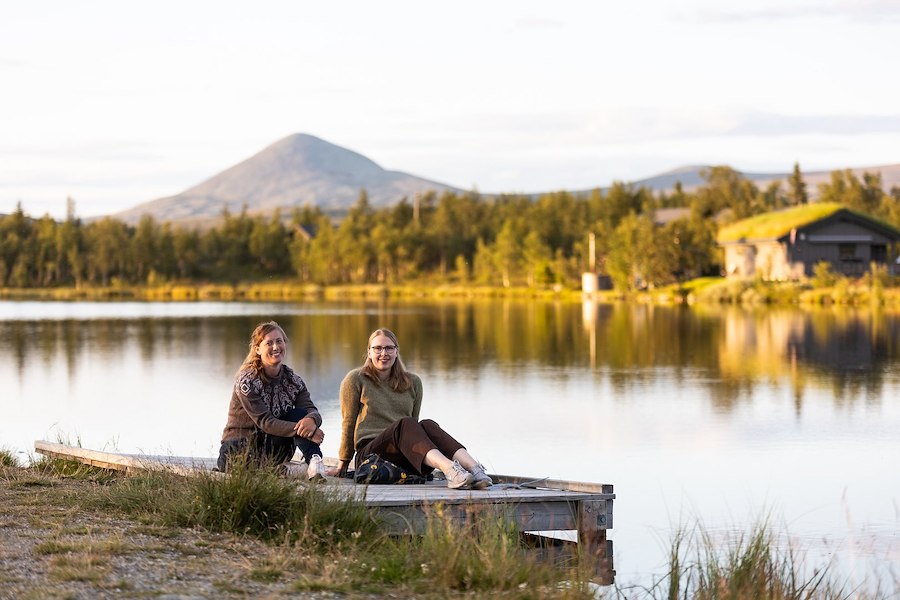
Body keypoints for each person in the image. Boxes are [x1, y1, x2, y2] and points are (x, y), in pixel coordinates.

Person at [336, 327, 492, 490]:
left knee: (427, 425)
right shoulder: (355, 379)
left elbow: (415, 428)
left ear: (397, 352)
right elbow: (348, 423)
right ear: (369, 352)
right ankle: (450, 470)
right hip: (371, 457)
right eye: (378, 348)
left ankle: (475, 469)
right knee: (406, 424)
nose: (384, 353)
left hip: (405, 455)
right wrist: (343, 462)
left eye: (389, 348)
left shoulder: (413, 382)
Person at [217, 320, 327, 480]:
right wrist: (310, 433)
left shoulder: (293, 380)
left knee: (300, 414)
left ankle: (315, 462)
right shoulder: (247, 382)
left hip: (273, 447)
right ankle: (288, 471)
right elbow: (266, 422)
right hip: (239, 448)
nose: (276, 347)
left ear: (285, 344)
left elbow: (311, 409)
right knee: (238, 461)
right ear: (257, 349)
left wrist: (312, 420)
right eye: (269, 343)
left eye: (279, 341)